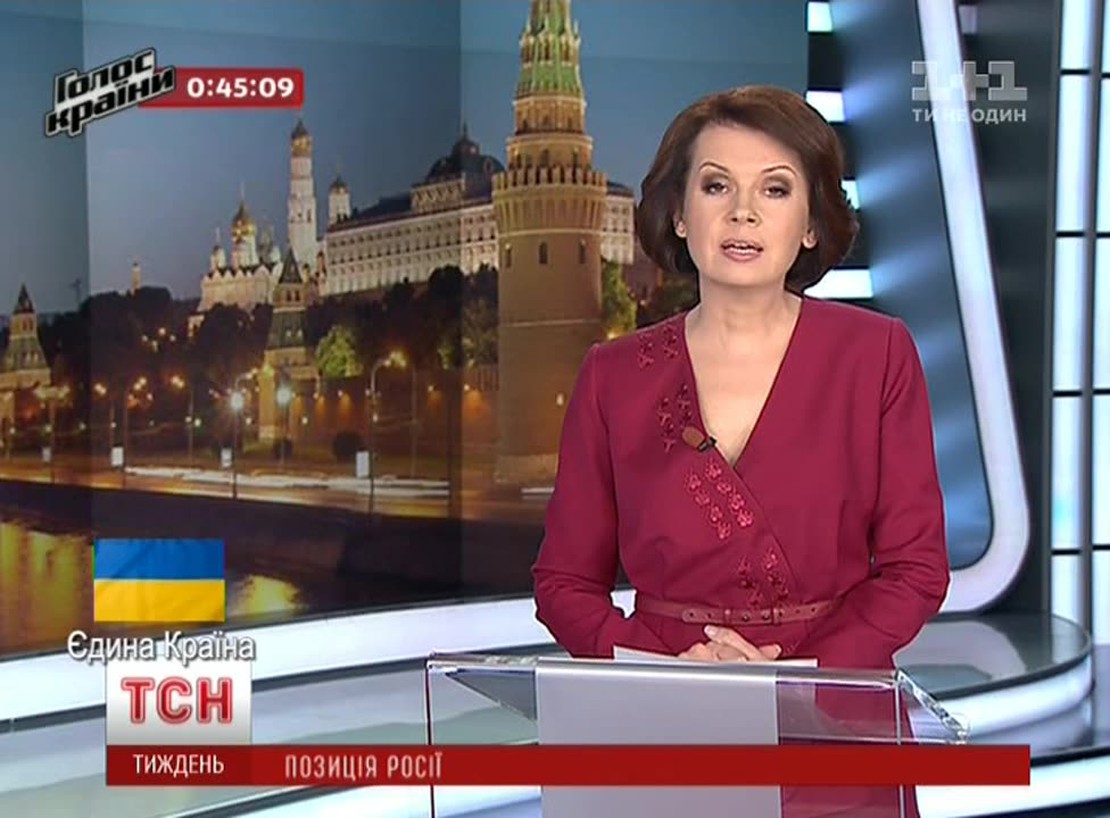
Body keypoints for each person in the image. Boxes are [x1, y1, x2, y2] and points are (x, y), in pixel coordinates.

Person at [531, 85, 951, 816]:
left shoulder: (877, 355)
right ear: (679, 214)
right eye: (716, 186)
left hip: (834, 728)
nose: (743, 213)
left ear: (812, 224)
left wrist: (800, 680)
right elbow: (563, 583)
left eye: (775, 189)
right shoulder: (612, 376)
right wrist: (663, 670)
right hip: (667, 725)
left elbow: (916, 570)